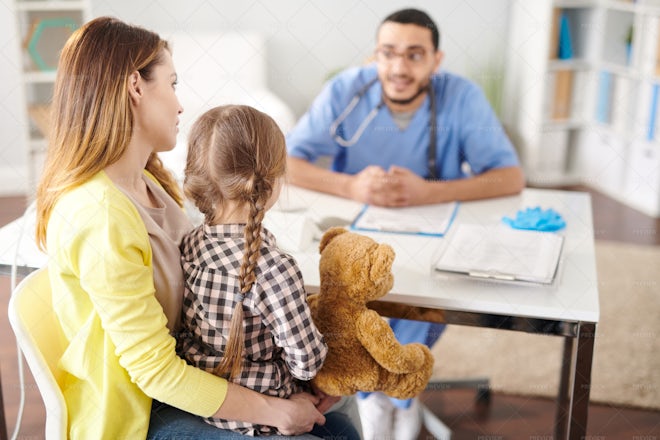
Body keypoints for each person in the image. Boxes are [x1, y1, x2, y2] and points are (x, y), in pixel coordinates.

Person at [34, 16, 343, 439]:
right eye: (173, 84)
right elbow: (155, 372)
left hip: (191, 382)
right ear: (135, 87)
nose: (180, 105)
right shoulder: (100, 215)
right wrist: (276, 409)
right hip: (143, 409)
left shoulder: (147, 182)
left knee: (339, 426)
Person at [285, 7, 524, 440]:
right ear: (374, 56)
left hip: (431, 237)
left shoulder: (461, 98)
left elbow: (510, 176)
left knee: (423, 298)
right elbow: (287, 161)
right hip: (356, 240)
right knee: (352, 300)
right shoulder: (347, 92)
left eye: (415, 55)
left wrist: (427, 191)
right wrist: (351, 187)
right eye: (388, 53)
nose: (398, 68)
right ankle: (383, 396)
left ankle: (397, 396)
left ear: (436, 60)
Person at [175, 105, 360, 439]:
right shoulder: (275, 268)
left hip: (210, 406)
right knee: (345, 421)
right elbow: (307, 362)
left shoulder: (188, 243)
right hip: (268, 412)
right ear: (271, 182)